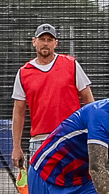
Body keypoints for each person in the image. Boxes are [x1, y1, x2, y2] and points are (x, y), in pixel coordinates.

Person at [9, 23, 94, 172]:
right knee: (40, 185)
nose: (45, 43)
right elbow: (18, 112)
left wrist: (92, 134)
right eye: (42, 39)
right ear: (34, 41)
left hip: (71, 138)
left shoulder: (71, 65)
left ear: (55, 43)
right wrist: (16, 147)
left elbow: (89, 100)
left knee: (73, 183)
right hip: (39, 141)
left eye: (49, 40)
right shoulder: (23, 73)